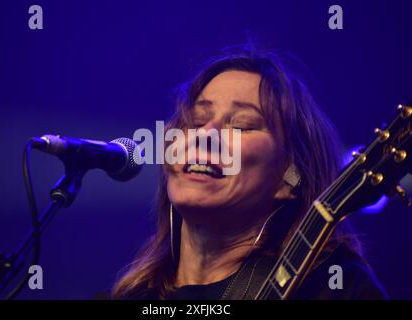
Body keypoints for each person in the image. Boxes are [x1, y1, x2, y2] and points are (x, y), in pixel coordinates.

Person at [111, 48, 387, 300]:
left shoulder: (332, 287)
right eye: (195, 121)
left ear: (289, 176)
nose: (205, 134)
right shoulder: (135, 297)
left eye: (242, 126)